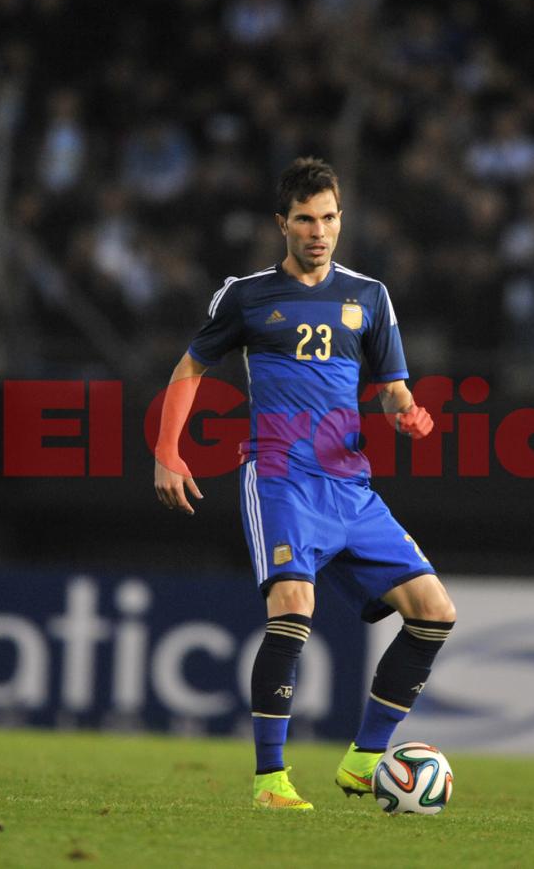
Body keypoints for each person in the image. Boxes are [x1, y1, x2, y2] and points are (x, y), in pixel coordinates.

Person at [154, 156, 456, 810]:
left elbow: (390, 389)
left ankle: (364, 760)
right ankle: (270, 781)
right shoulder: (247, 296)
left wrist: (405, 414)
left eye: (327, 218)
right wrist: (167, 450)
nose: (317, 231)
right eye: (303, 219)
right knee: (294, 606)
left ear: (340, 220)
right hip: (282, 478)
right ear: (281, 224)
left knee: (434, 614)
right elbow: (190, 368)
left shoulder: (369, 296)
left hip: (350, 486)